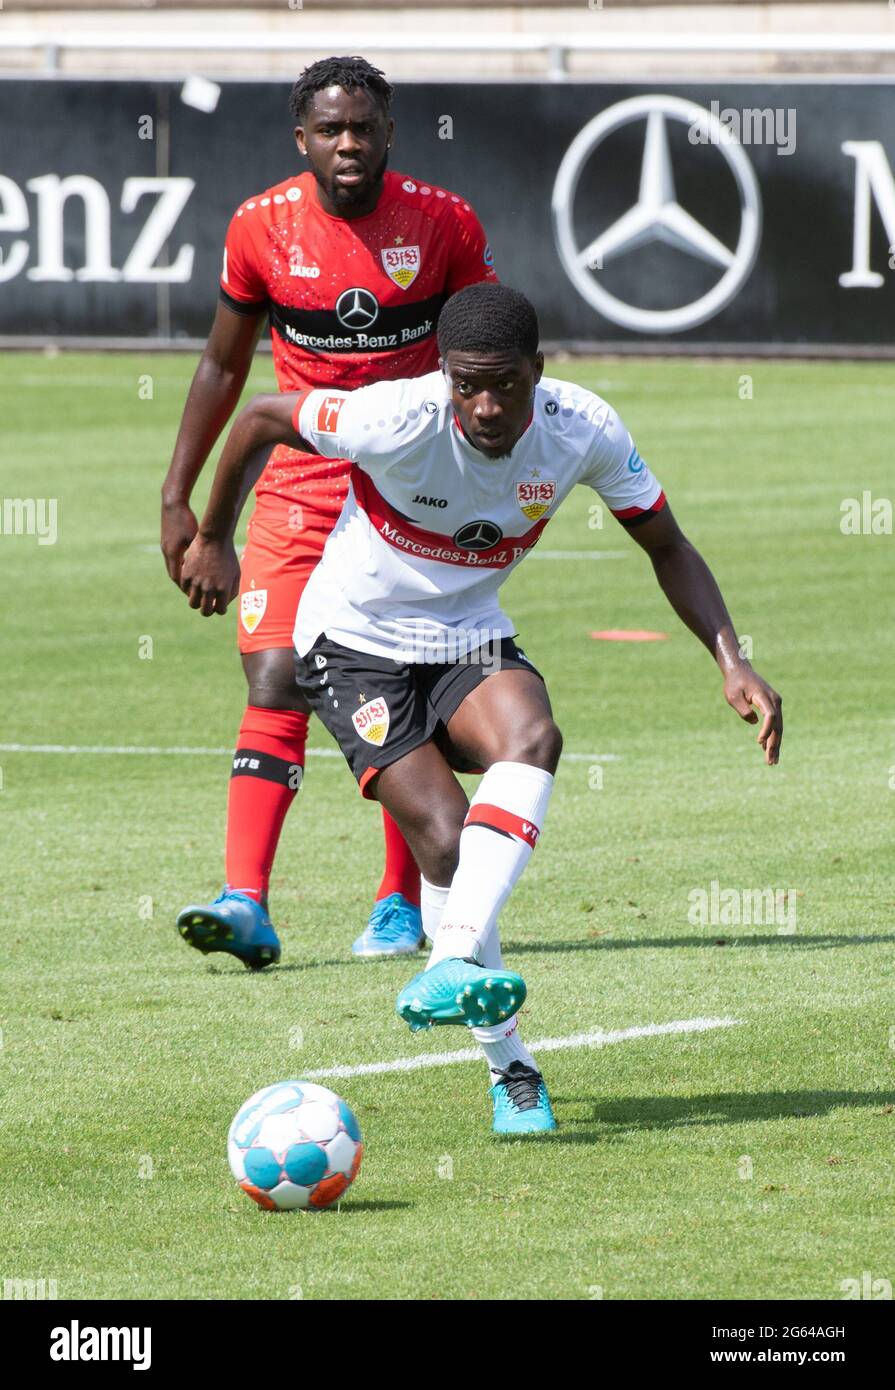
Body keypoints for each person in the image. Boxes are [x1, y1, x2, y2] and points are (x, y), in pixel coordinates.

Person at [179, 282, 783, 1134]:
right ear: (443, 376)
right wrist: (213, 536)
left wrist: (732, 660)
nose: (486, 405)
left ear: (541, 371)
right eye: (467, 384)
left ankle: (451, 956)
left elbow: (665, 543)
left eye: (506, 383)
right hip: (351, 640)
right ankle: (512, 1070)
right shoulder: (393, 418)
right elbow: (258, 422)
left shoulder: (583, 430)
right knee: (444, 837)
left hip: (466, 634)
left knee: (532, 736)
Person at [160, 56, 498, 969]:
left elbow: (483, 354)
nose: (348, 142)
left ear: (389, 132)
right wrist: (179, 502)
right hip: (300, 482)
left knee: (400, 675)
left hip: (410, 489)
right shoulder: (260, 227)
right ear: (301, 138)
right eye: (330, 129)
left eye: (364, 126)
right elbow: (223, 368)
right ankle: (245, 904)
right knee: (275, 678)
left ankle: (399, 901)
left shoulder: (442, 223)